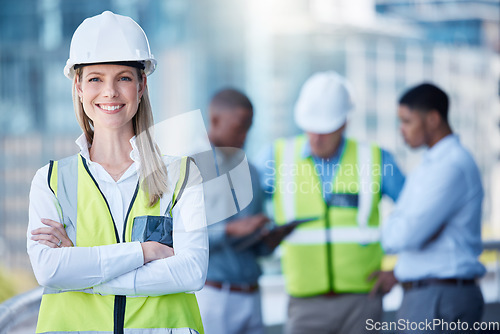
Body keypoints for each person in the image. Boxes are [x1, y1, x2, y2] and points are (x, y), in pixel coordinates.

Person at [27, 11, 207, 334]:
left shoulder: (182, 175)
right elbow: (49, 270)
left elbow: (192, 270)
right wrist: (143, 252)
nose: (109, 92)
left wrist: (86, 273)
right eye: (96, 78)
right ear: (79, 87)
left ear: (142, 85)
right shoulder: (51, 181)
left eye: (123, 77)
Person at [257, 71, 405, 334]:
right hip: (304, 303)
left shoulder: (375, 158)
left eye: (325, 129)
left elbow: (418, 214)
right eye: (310, 127)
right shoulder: (277, 157)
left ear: (344, 123)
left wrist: (401, 269)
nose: (316, 136)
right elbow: (241, 207)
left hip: (363, 302)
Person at [382, 83, 485, 333]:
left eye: (407, 121)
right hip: (429, 295)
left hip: (438, 299)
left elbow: (402, 236)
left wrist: (402, 225)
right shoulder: (430, 165)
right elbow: (406, 232)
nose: (402, 130)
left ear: (433, 119)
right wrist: (410, 226)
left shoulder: (450, 166)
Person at [195, 89, 294, 334]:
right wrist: (229, 230)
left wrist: (269, 239)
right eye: (240, 126)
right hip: (213, 297)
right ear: (215, 120)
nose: (245, 135)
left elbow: (255, 246)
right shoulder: (188, 167)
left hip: (252, 295)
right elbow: (175, 236)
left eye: (249, 127)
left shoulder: (251, 172)